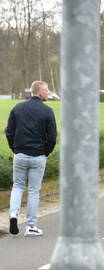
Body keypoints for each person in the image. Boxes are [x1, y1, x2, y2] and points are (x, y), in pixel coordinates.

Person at [5, 80, 57, 236]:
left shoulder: (17, 108)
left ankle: (13, 214)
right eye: (46, 90)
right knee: (34, 190)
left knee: (18, 186)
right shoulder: (47, 111)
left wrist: (15, 149)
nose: (48, 93)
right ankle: (31, 226)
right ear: (39, 92)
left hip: (20, 154)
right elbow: (52, 137)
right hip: (38, 155)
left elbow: (9, 132)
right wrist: (45, 152)